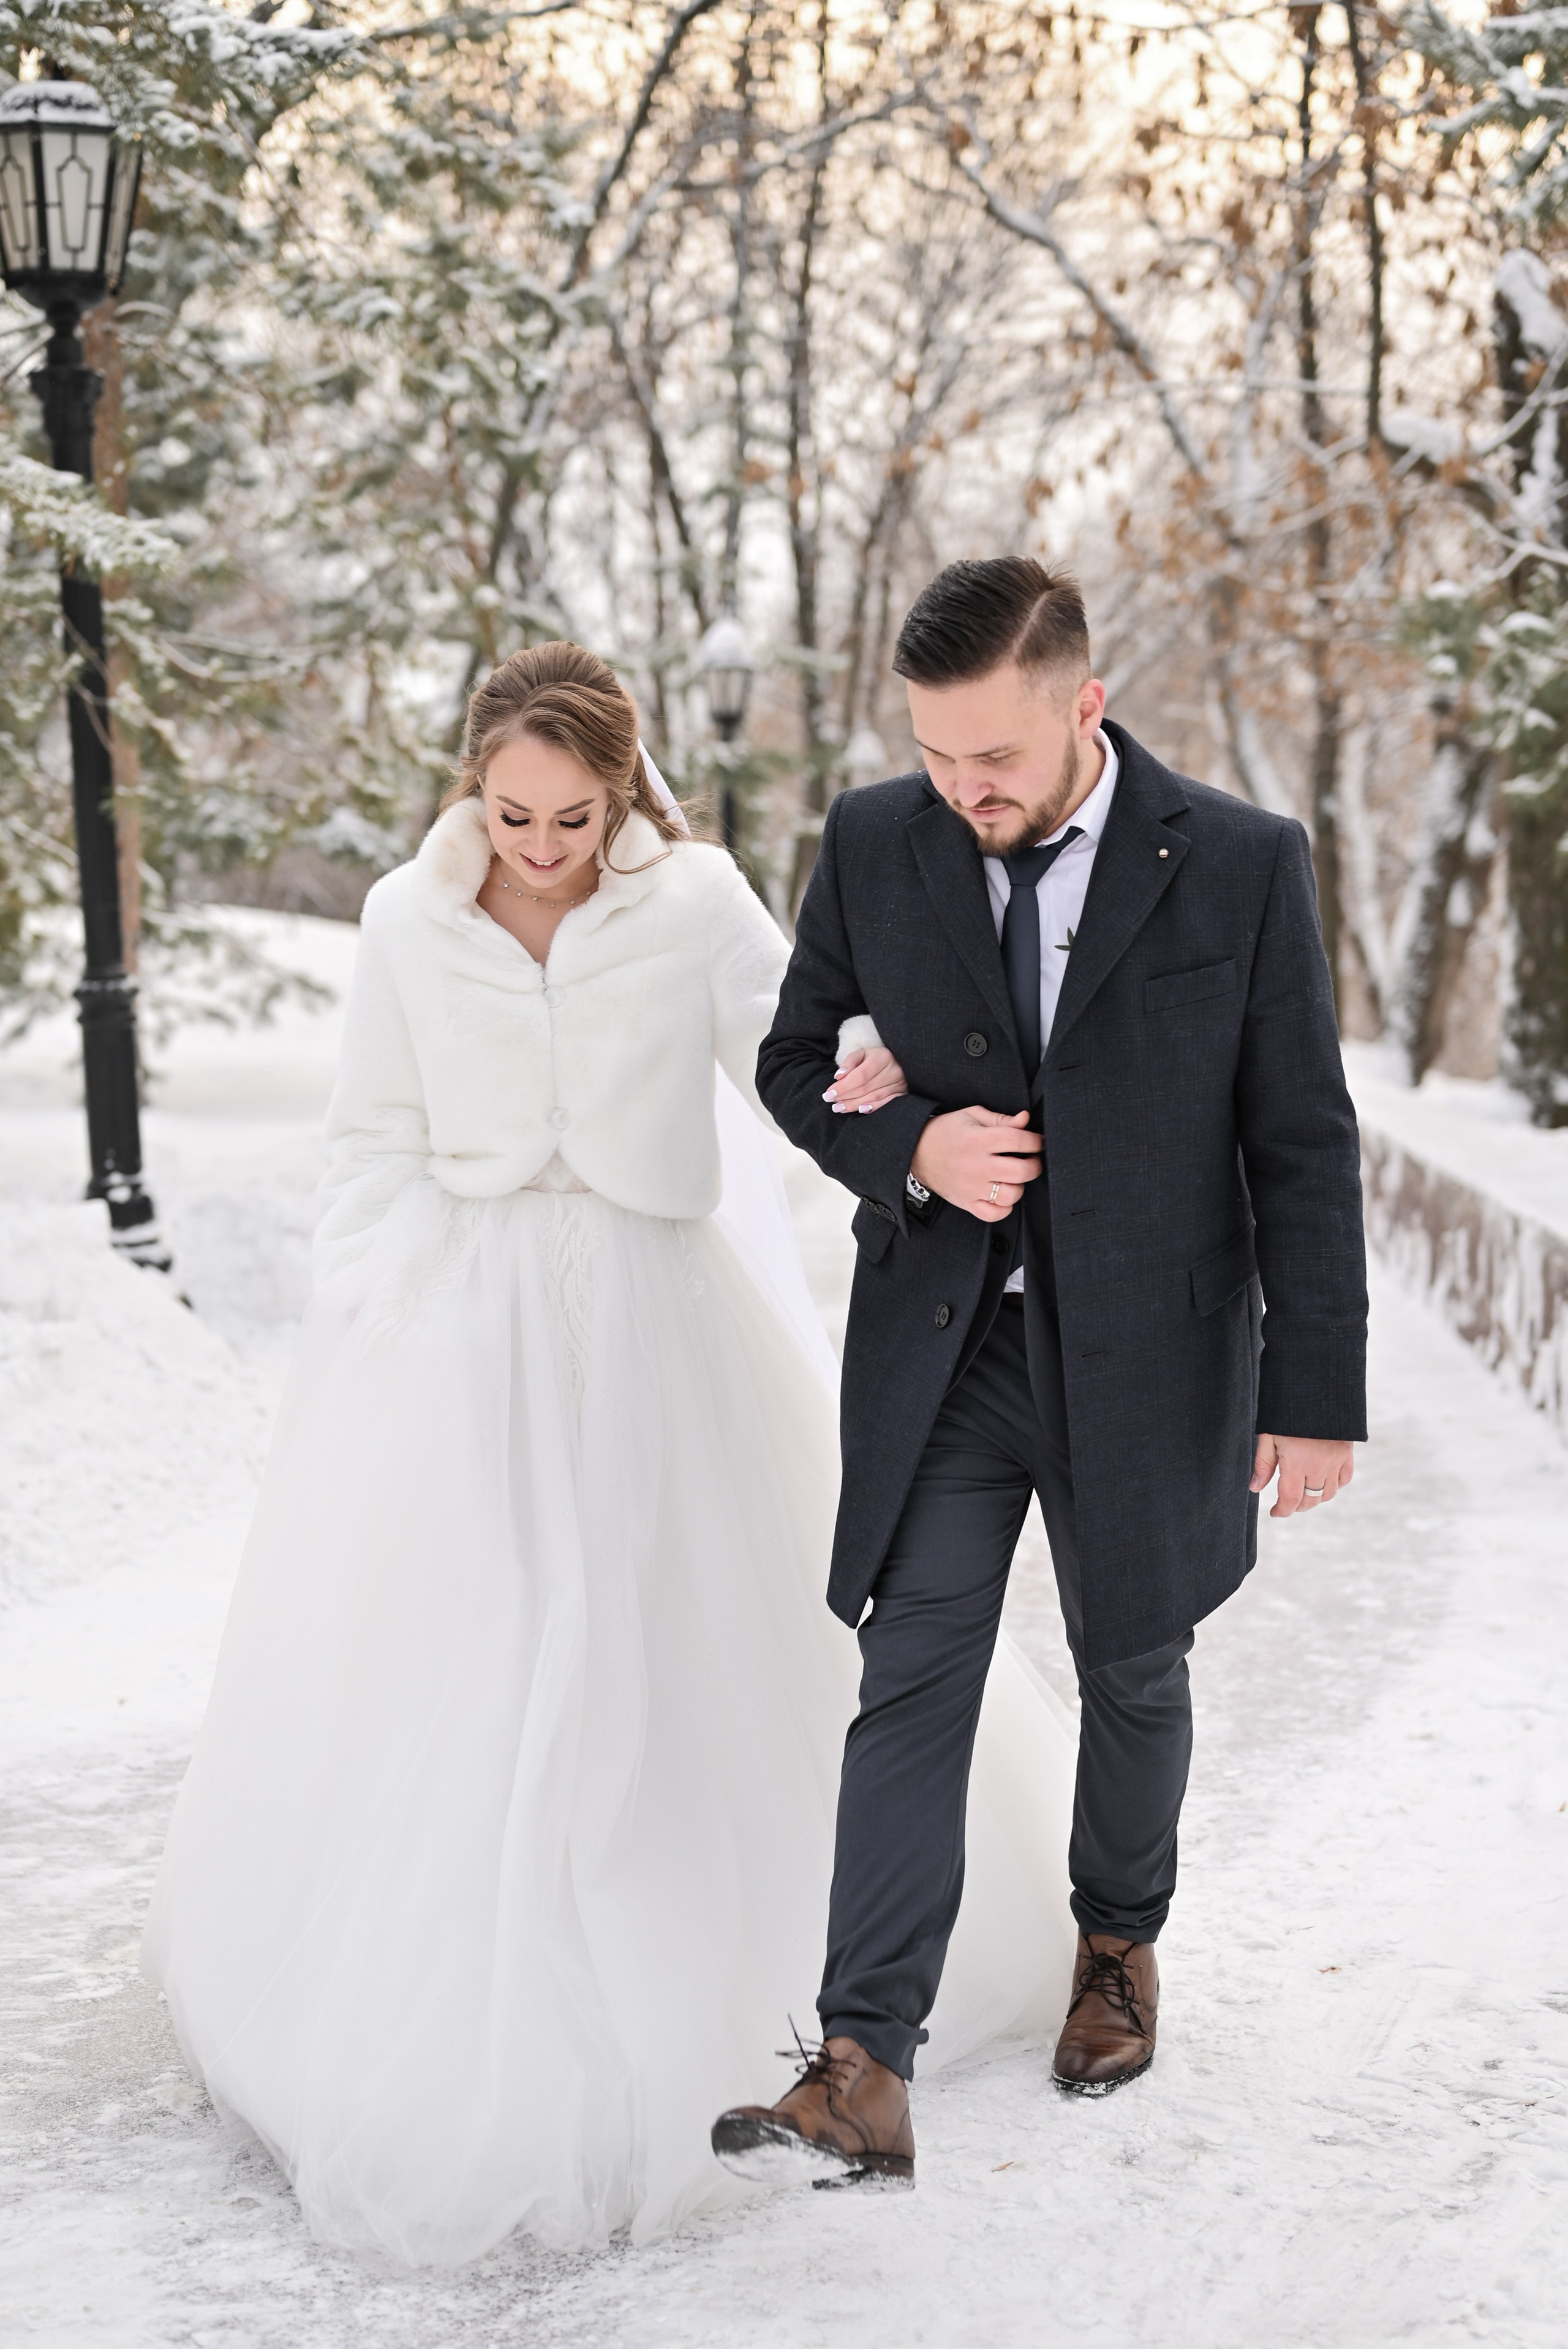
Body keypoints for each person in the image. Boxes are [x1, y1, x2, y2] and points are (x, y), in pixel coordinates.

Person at [142, 639, 1079, 2262]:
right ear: (474, 785)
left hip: (654, 1314)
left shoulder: (698, 902)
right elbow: (366, 1142)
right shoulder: (404, 920)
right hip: (458, 1323)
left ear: (622, 788)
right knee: (474, 1657)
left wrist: (895, 1093)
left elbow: (803, 1060)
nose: (540, 844)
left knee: (669, 1645)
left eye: (572, 816)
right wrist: (378, 1308)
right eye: (511, 811)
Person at [713, 559, 1367, 2189]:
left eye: (992, 758)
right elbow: (796, 1061)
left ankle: (1117, 1947)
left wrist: (1317, 1385)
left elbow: (1301, 1139)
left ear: (1085, 702)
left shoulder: (1239, 863)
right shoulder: (874, 840)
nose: (963, 790)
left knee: (1134, 1661)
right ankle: (861, 2058)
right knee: (913, 1671)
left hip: (1156, 1358)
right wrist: (913, 1142)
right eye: (936, 756)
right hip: (951, 1347)